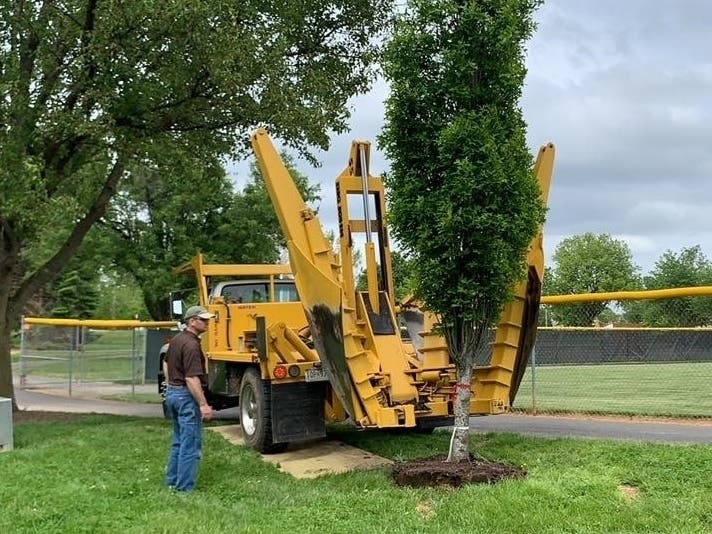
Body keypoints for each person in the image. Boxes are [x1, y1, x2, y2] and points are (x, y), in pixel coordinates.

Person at [164, 305, 215, 492]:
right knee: (190, 444)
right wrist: (203, 405)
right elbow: (191, 378)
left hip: (173, 393)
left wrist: (171, 386)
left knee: (179, 441)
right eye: (204, 320)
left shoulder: (177, 340)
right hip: (185, 396)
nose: (207, 323)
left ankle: (171, 481)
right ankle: (184, 488)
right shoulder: (192, 345)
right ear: (192, 321)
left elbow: (166, 362)